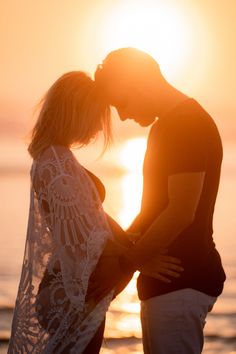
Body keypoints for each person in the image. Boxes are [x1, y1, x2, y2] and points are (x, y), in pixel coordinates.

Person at [8, 70, 183, 354]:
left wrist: (135, 246)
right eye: (96, 116)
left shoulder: (58, 157)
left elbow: (93, 220)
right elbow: (89, 236)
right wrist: (140, 260)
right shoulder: (55, 163)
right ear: (76, 113)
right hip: (72, 292)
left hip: (76, 288)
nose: (100, 128)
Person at [91, 47, 226, 353]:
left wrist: (126, 263)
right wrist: (117, 256)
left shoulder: (184, 124)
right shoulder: (168, 125)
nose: (122, 115)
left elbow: (180, 212)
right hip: (168, 286)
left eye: (121, 103)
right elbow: (152, 211)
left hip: (180, 282)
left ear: (139, 83)